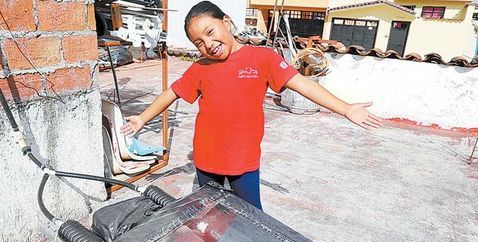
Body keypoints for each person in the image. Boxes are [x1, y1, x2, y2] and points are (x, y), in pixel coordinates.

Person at [121, 1, 382, 210]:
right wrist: (142, 118)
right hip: (206, 160)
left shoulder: (262, 58)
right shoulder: (200, 68)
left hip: (243, 162)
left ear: (226, 22)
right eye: (198, 42)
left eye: (210, 33)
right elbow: (172, 93)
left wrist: (346, 108)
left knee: (251, 217)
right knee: (207, 214)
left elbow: (303, 85)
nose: (208, 45)